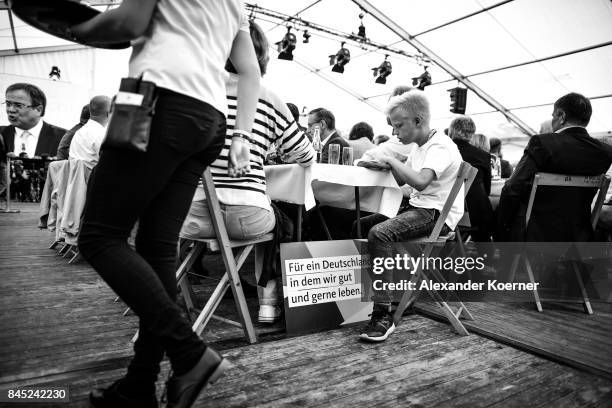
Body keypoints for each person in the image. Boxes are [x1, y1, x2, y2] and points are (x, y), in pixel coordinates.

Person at [70, 1, 261, 407]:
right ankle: (139, 386)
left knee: (100, 237)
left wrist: (74, 28)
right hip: (209, 119)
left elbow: (128, 21)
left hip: (152, 98)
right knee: (156, 248)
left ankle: (189, 352)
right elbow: (249, 68)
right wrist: (242, 136)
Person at [181, 20, 314, 324]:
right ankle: (268, 303)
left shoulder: (194, 93)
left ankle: (176, 289)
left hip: (191, 217)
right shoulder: (268, 98)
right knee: (282, 220)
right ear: (261, 56)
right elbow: (305, 155)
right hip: (245, 218)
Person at [354, 90, 463, 342]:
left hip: (436, 215)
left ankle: (383, 314)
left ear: (418, 120)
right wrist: (381, 165)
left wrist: (391, 160)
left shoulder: (440, 146)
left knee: (379, 233)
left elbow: (422, 182)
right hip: (422, 210)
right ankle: (381, 295)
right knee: (360, 225)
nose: (395, 132)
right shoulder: (420, 146)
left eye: (398, 125)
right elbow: (405, 180)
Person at [497, 92, 612, 242]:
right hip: (579, 234)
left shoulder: (543, 143)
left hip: (536, 232)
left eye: (553, 116)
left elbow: (512, 187)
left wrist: (502, 229)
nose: (552, 120)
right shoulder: (605, 152)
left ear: (561, 115)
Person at [448, 116, 494, 242]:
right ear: (472, 134)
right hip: (476, 213)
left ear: (451, 131)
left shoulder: (444, 152)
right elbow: (487, 190)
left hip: (448, 212)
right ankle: (486, 257)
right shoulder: (483, 155)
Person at [1, 83, 66, 159]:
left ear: (38, 110)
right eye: (8, 104)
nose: (10, 110)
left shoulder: (63, 138)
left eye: (18, 105)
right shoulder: (1, 134)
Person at [68, 96, 111, 168]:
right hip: (92, 178)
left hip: (75, 177)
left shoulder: (79, 132)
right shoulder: (101, 135)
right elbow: (110, 162)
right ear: (108, 113)